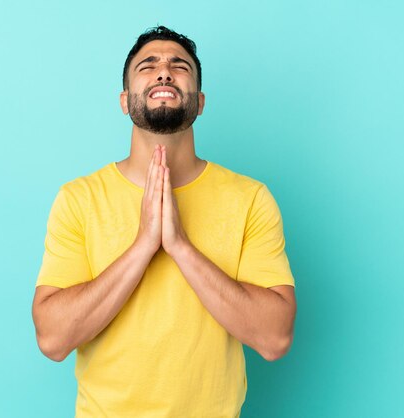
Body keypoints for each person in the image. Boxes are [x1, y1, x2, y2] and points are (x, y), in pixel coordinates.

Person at [31, 25, 297, 418]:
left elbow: (275, 338)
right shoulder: (78, 199)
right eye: (148, 65)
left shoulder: (250, 199)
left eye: (179, 66)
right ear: (124, 100)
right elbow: (53, 339)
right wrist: (143, 245)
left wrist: (180, 247)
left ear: (200, 101)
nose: (164, 72)